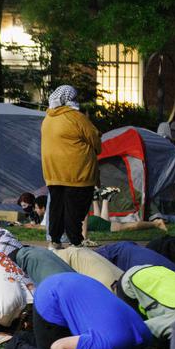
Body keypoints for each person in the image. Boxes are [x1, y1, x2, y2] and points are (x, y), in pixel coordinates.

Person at [29, 273, 152, 349]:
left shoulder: (146, 336)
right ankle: (13, 348)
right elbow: (58, 347)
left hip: (79, 284)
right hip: (50, 294)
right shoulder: (106, 346)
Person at [41, 85, 101, 248]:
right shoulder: (76, 117)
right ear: (70, 99)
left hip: (53, 171)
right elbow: (95, 137)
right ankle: (76, 241)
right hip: (76, 171)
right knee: (75, 208)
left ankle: (54, 241)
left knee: (56, 207)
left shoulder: (48, 118)